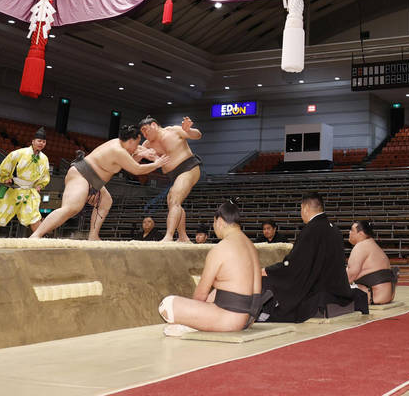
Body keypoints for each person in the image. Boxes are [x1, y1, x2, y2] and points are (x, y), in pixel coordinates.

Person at [30, 124, 167, 240]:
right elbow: (136, 169)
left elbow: (136, 154)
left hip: (94, 180)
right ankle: (36, 235)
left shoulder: (120, 144)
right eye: (137, 143)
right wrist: (156, 164)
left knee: (106, 201)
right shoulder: (118, 150)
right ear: (131, 141)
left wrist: (146, 153)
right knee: (71, 208)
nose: (137, 146)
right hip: (81, 175)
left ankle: (93, 236)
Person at [158, 199, 267, 336]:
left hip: (232, 319)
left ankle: (194, 326)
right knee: (216, 291)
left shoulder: (221, 248)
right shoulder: (251, 246)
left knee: (167, 305)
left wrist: (193, 317)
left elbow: (200, 295)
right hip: (250, 317)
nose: (214, 227)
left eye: (214, 223)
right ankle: (205, 322)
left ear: (220, 222)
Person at [259, 192, 364, 322]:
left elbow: (295, 265)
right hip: (335, 286)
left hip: (316, 288)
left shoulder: (310, 230)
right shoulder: (334, 229)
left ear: (306, 208)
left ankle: (265, 312)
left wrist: (269, 270)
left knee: (267, 280)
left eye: (301, 209)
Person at [138, 115, 203, 243]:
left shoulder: (174, 131)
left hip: (189, 168)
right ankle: (183, 237)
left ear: (154, 125)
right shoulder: (147, 144)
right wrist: (142, 154)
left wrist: (189, 130)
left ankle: (169, 236)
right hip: (173, 175)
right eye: (142, 132)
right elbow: (135, 159)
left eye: (145, 129)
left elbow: (198, 135)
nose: (144, 134)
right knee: (172, 201)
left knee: (174, 199)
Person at [0, 128, 51, 237]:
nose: (41, 143)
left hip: (30, 191)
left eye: (43, 142)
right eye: (39, 141)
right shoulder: (18, 153)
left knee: (34, 217)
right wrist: (6, 177)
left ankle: (38, 241)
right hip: (14, 188)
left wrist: (40, 185)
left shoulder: (44, 159)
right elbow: (6, 166)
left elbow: (45, 175)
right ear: (33, 141)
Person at [346, 220, 397, 304]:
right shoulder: (375, 246)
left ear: (361, 234)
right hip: (386, 296)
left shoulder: (360, 247)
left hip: (373, 296)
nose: (349, 232)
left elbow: (350, 277)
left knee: (328, 291)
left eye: (352, 230)